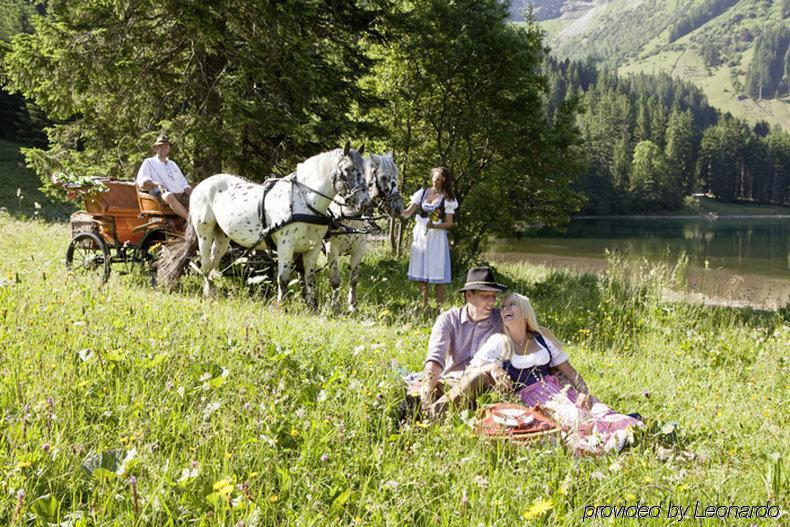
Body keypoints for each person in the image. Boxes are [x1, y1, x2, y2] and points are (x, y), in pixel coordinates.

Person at [432, 292, 643, 454]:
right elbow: (473, 370)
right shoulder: (499, 341)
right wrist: (492, 367)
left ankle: (622, 432)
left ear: (525, 311)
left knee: (597, 409)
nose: (504, 308)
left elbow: (570, 372)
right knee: (575, 418)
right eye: (503, 306)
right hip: (530, 399)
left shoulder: (543, 338)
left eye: (511, 304)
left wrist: (584, 392)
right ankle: (603, 443)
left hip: (559, 391)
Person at [417, 266, 507, 414]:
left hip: (484, 388)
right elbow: (435, 358)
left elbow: (529, 327)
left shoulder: (502, 319)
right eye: (486, 296)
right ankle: (422, 410)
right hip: (451, 382)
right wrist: (426, 393)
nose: (492, 301)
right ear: (469, 295)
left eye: (494, 296)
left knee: (477, 377)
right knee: (414, 390)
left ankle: (431, 416)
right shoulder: (449, 319)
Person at [401, 167, 458, 311]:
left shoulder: (448, 197)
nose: (435, 181)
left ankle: (439, 308)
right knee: (421, 271)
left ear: (444, 180)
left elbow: (449, 223)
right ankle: (424, 305)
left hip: (437, 237)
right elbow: (407, 213)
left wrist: (435, 226)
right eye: (433, 178)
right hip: (421, 235)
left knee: (438, 270)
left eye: (438, 179)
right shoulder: (422, 193)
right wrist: (395, 210)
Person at [135, 133, 191, 220]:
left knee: (197, 199)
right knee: (168, 196)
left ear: (169, 148)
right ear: (156, 149)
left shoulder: (173, 164)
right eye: (160, 146)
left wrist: (193, 195)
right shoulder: (149, 162)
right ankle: (190, 221)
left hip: (179, 195)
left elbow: (184, 184)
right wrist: (157, 184)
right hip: (160, 196)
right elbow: (141, 181)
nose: (163, 148)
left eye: (165, 146)